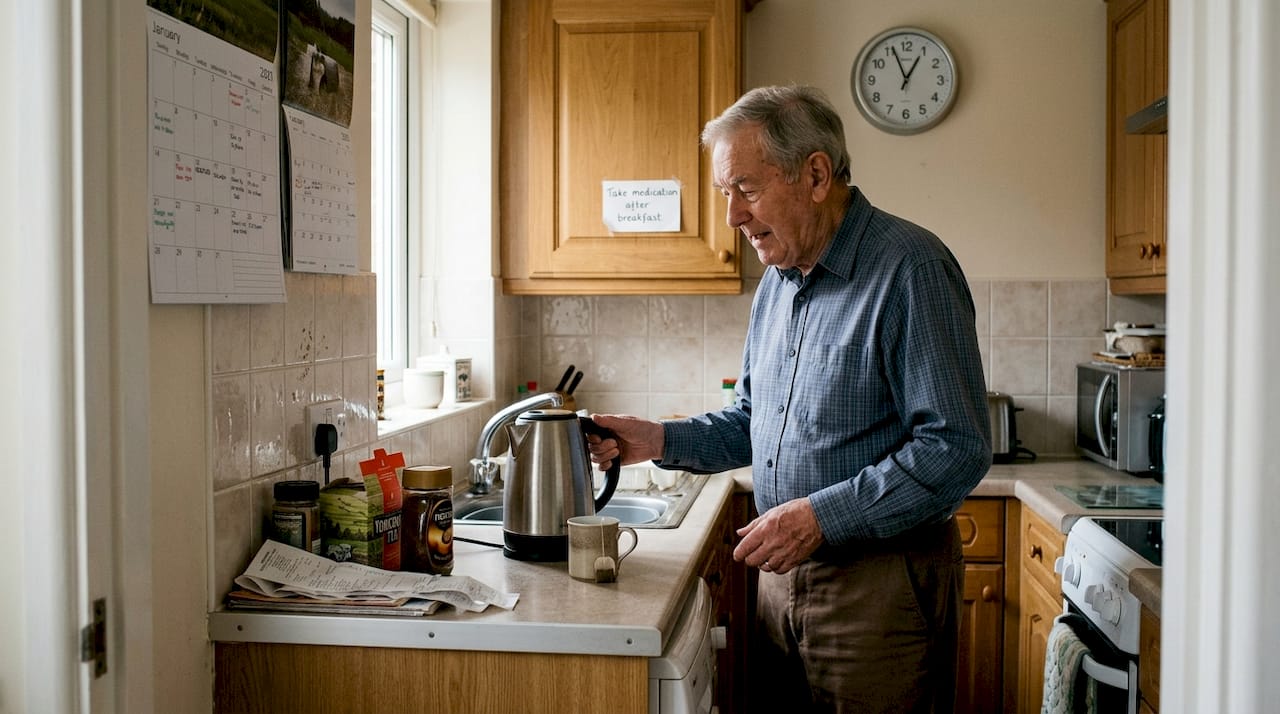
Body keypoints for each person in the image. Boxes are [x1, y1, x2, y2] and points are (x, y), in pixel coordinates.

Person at [587, 85, 991, 713]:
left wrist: (820, 518)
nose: (732, 218)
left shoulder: (910, 268)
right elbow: (756, 420)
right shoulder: (778, 281)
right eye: (726, 194)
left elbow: (955, 449)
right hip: (782, 581)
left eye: (746, 190)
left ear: (817, 175)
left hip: (878, 590)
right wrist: (658, 441)